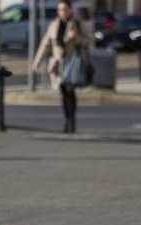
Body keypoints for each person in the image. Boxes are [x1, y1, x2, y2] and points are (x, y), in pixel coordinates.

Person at [32, 0, 92, 133]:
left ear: (70, 10)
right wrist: (37, 61)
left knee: (70, 91)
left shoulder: (77, 24)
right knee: (64, 92)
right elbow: (45, 44)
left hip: (73, 63)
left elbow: (89, 41)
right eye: (60, 9)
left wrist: (77, 38)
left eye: (65, 9)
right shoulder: (54, 25)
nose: (62, 12)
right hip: (59, 65)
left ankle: (71, 121)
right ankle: (67, 120)